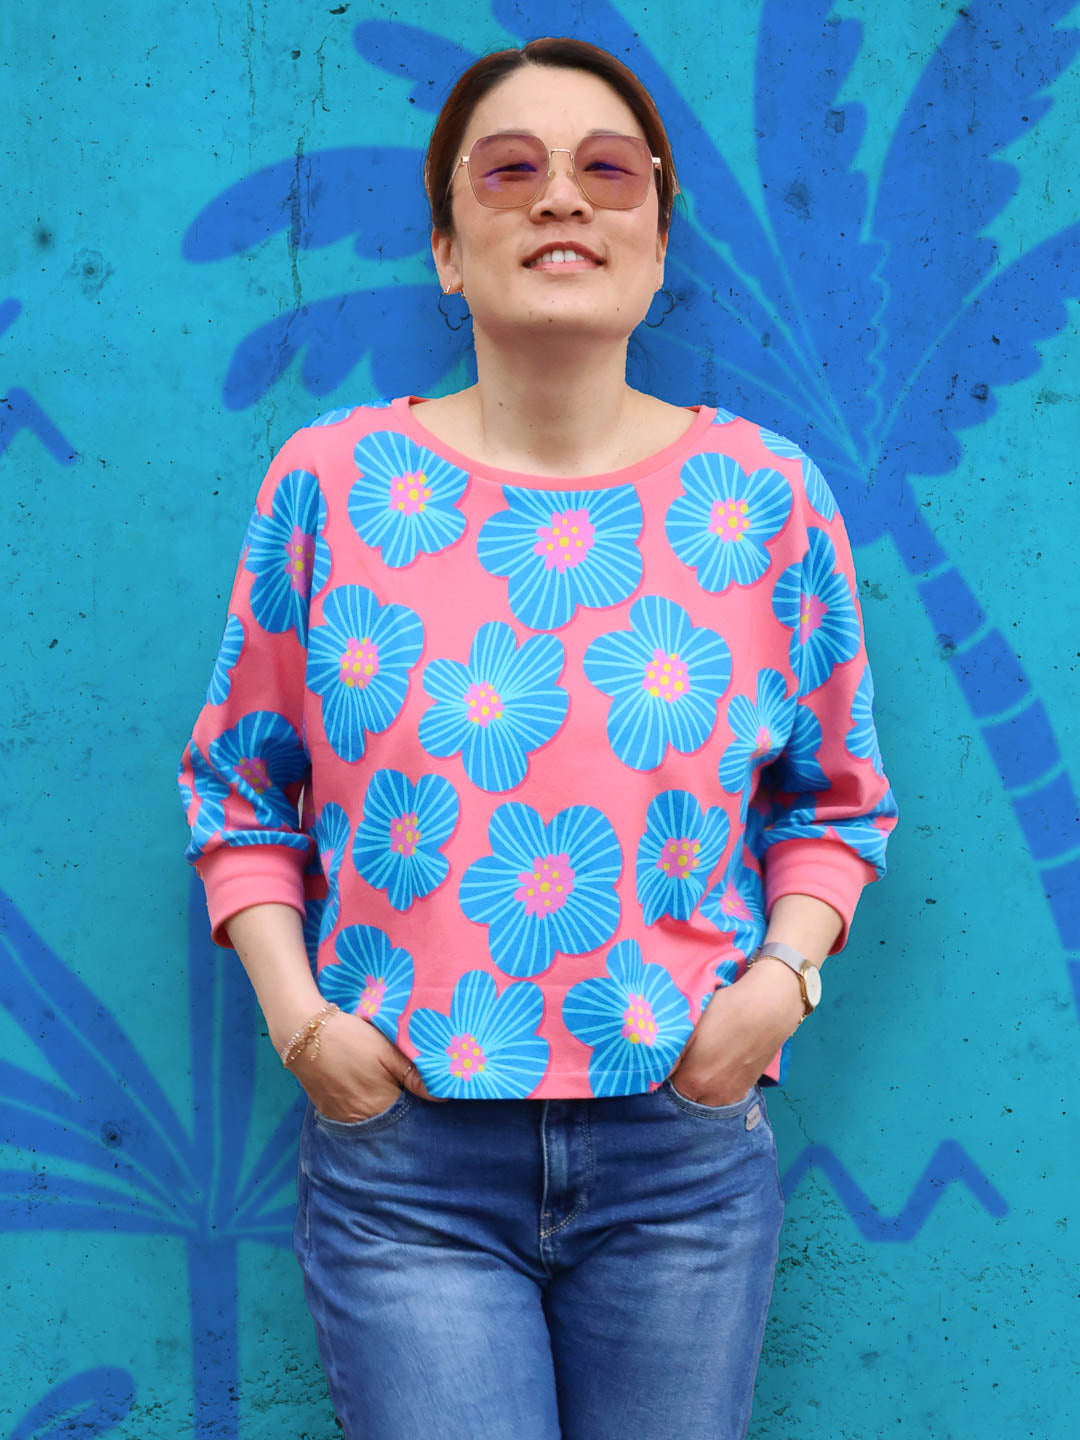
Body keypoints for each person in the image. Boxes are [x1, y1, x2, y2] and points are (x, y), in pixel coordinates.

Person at [178, 36, 897, 1440]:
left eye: (608, 171)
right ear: (447, 250)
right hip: (407, 1170)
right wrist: (302, 1026)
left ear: (658, 240)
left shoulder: (767, 498)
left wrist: (777, 992)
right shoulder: (332, 484)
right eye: (509, 171)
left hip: (681, 1159)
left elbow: (836, 800)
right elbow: (238, 789)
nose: (562, 196)